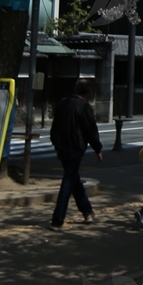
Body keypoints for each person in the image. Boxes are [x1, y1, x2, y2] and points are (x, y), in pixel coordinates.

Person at [49, 80, 103, 229]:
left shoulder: (63, 103)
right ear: (87, 93)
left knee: (74, 179)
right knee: (68, 181)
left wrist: (55, 143)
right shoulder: (84, 107)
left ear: (75, 89)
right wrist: (97, 148)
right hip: (75, 148)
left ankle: (87, 211)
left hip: (62, 147)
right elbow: (90, 130)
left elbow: (55, 126)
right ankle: (58, 220)